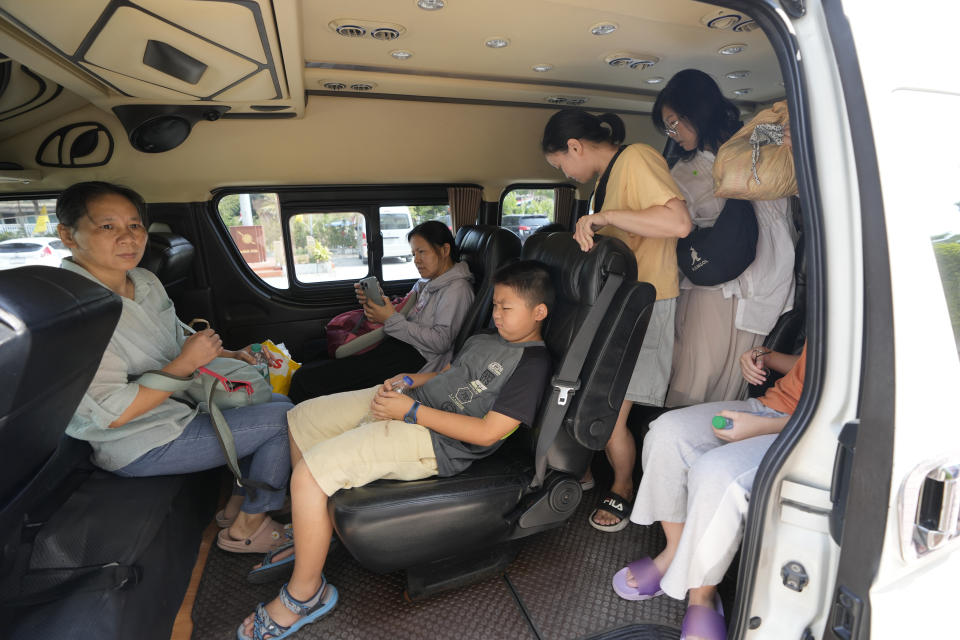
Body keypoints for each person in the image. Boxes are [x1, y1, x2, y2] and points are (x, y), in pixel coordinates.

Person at [237, 260, 554, 640]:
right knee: (300, 417)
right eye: (496, 305)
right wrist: (410, 380)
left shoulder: (532, 363)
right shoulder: (486, 337)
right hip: (413, 403)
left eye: (507, 308)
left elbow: (489, 433)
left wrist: (413, 412)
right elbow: (448, 374)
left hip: (437, 440)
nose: (497, 314)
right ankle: (309, 532)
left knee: (310, 475)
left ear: (538, 312)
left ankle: (307, 594)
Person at [57, 181, 294, 554]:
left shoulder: (144, 281)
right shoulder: (75, 313)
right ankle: (248, 528)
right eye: (108, 226)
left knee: (274, 404)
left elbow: (176, 337)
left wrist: (228, 354)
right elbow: (112, 416)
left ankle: (237, 505)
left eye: (135, 225)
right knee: (286, 420)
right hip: (138, 441)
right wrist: (186, 364)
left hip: (178, 410)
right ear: (68, 236)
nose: (128, 238)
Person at [542, 108, 693, 532]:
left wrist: (605, 219)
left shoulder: (638, 158)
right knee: (585, 398)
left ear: (575, 147)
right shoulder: (604, 183)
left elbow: (678, 222)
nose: (565, 172)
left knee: (610, 414)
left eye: (560, 164)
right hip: (619, 306)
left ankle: (624, 486)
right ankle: (584, 469)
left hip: (646, 305)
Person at [613, 343, 806, 640]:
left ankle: (702, 594)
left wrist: (765, 428)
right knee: (666, 432)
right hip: (770, 407)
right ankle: (675, 550)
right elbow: (815, 366)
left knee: (715, 471)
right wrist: (766, 357)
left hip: (807, 431)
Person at [655, 69, 797, 407]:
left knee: (728, 378)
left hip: (758, 279)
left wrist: (792, 140)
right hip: (709, 281)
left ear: (697, 111)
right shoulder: (680, 170)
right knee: (691, 376)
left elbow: (799, 159)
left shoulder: (755, 139)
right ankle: (678, 443)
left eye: (674, 122)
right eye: (667, 127)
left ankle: (707, 445)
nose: (671, 134)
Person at [287, 220, 475, 403]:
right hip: (399, 341)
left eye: (422, 252)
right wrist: (378, 302)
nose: (416, 260)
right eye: (413, 254)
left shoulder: (456, 290)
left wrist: (390, 319)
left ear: (445, 250)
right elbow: (405, 309)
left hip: (416, 359)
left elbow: (440, 342)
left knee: (305, 380)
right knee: (312, 349)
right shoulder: (427, 281)